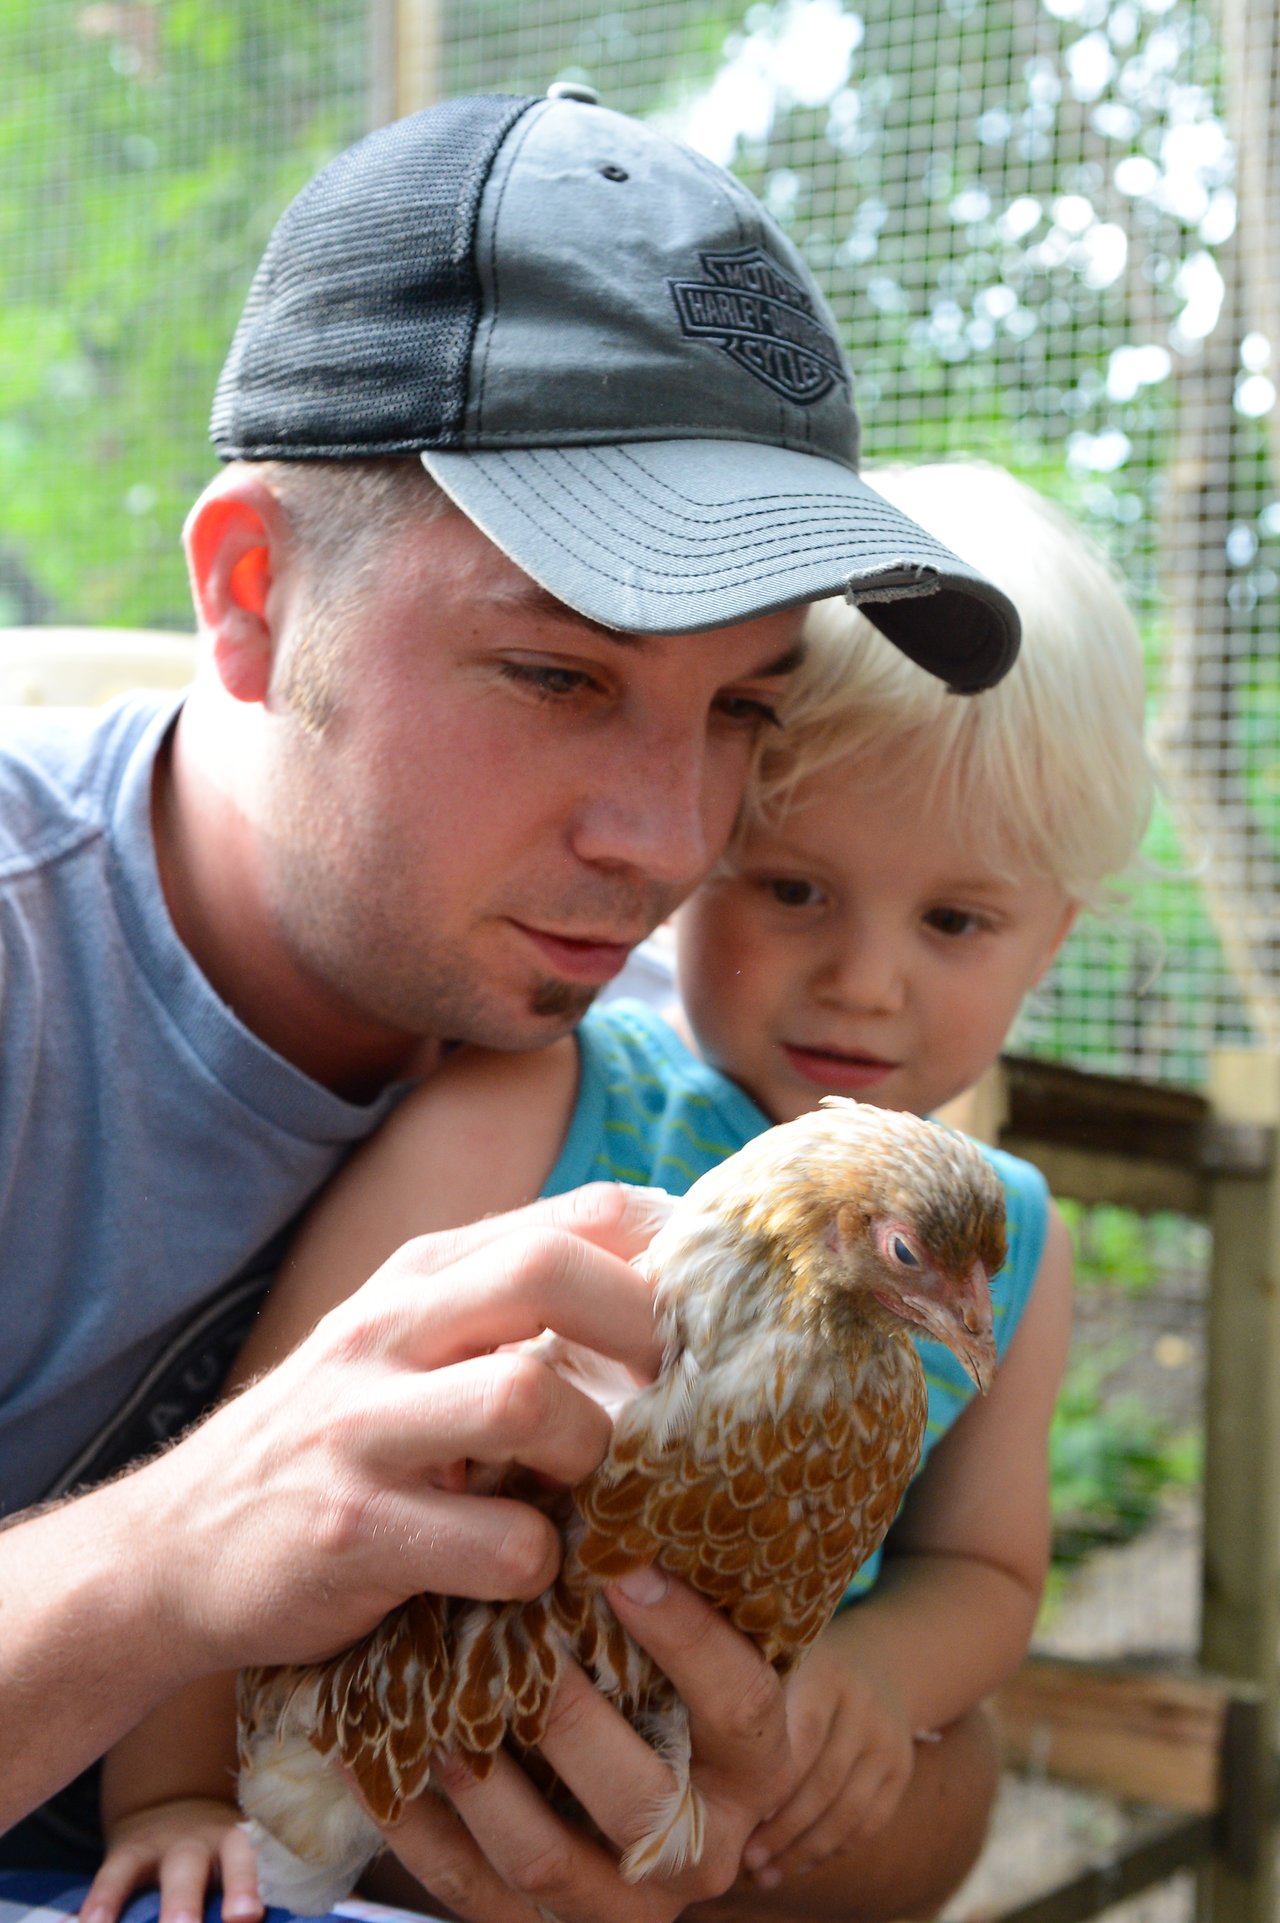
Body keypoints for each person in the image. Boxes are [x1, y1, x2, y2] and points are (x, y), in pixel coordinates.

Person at [0, 84, 1021, 1921]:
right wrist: (177, 1555)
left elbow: (948, 1793)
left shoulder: (685, 1064)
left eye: (744, 713)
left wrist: (741, 1813)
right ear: (249, 597)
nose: (669, 841)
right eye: (555, 673)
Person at [84, 462, 1154, 1923]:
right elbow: (252, 1461)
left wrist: (878, 1676)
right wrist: (176, 1794)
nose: (865, 980)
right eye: (791, 890)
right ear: (702, 855)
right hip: (373, 1810)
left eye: (956, 918)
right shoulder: (547, 1094)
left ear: (1054, 939)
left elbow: (982, 1566)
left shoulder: (1010, 1247)